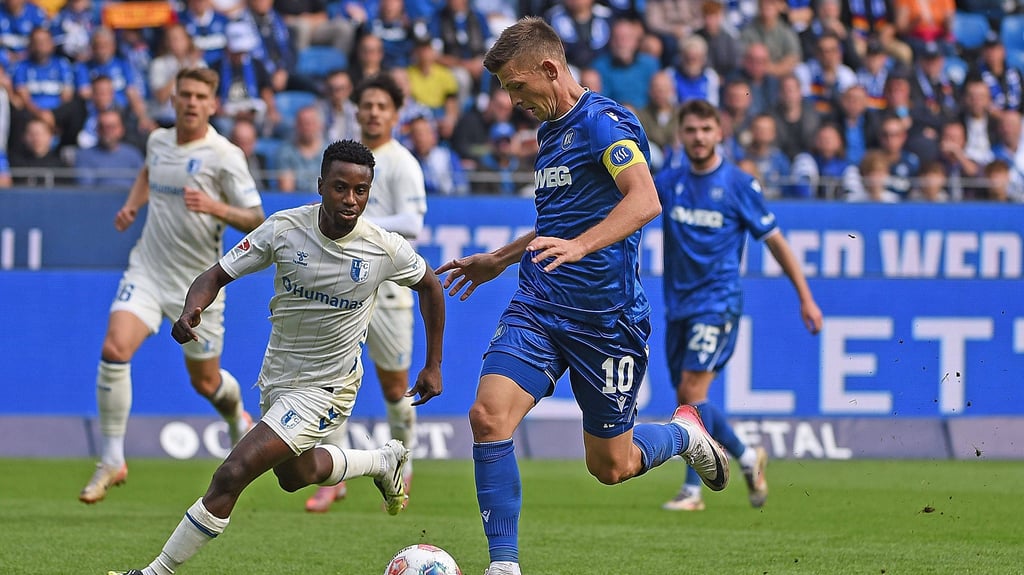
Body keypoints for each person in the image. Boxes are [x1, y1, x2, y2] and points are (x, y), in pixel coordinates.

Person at [434, 18, 729, 575]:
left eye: (518, 86)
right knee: (487, 417)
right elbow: (557, 220)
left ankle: (683, 433)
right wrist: (500, 258)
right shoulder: (549, 132)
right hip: (540, 308)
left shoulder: (605, 124)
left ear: (550, 69)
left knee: (611, 467)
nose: (514, 100)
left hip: (606, 319)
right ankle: (504, 566)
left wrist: (582, 245)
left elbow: (644, 200)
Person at [106, 139, 447, 575]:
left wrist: (433, 363)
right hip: (278, 379)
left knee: (232, 474)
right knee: (294, 476)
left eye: (361, 191)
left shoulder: (383, 247)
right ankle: (381, 461)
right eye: (340, 188)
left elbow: (431, 287)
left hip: (329, 387)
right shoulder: (285, 229)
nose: (350, 200)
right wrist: (193, 307)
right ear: (320, 184)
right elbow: (216, 274)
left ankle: (154, 572)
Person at [78, 68, 266, 505]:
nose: (192, 102)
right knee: (114, 349)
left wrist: (214, 205)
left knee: (205, 382)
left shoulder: (224, 154)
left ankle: (237, 413)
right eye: (185, 94)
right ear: (175, 98)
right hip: (147, 270)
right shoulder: (158, 140)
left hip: (198, 286)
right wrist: (131, 206)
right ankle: (110, 459)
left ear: (213, 104)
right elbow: (148, 172)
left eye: (201, 96)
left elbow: (256, 218)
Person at [654, 98, 823, 512]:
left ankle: (693, 491)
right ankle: (748, 457)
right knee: (688, 398)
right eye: (691, 130)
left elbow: (776, 242)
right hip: (678, 304)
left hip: (718, 301)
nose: (698, 137)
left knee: (692, 393)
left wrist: (805, 297)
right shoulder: (668, 182)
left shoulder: (737, 184)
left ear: (719, 133)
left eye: (706, 130)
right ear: (681, 134)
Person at [303, 72, 429, 513]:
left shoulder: (402, 163)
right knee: (329, 381)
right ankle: (332, 479)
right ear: (356, 110)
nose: (373, 112)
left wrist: (361, 230)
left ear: (395, 114)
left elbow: (413, 225)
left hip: (389, 291)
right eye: (367, 105)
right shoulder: (341, 161)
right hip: (341, 288)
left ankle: (403, 465)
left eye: (382, 106)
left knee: (396, 387)